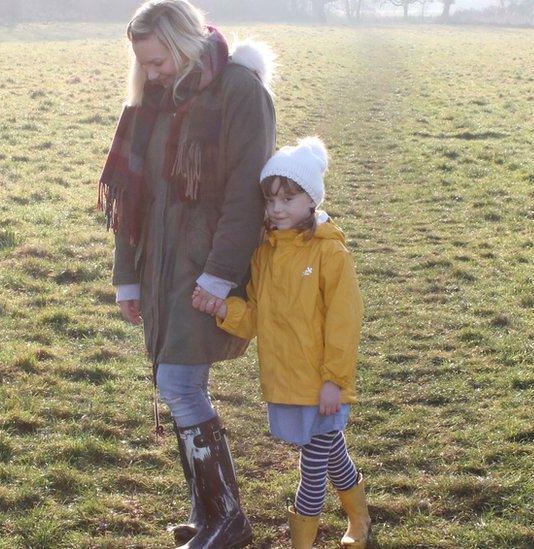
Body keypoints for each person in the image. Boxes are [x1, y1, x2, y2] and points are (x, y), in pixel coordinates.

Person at [98, 1, 276, 546]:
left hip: (205, 266)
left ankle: (226, 519)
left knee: (179, 383)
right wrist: (127, 276)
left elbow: (249, 193)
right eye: (142, 64)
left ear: (184, 43)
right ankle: (209, 514)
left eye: (156, 62)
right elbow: (133, 197)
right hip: (160, 266)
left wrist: (219, 275)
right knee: (175, 383)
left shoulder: (241, 92)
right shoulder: (155, 99)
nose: (149, 75)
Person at [192, 138, 371, 548]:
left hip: (321, 383)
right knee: (331, 454)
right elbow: (254, 316)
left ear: (312, 200)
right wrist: (221, 308)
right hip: (284, 379)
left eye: (288, 198)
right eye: (271, 199)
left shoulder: (331, 254)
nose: (277, 209)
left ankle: (305, 542)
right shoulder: (265, 254)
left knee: (311, 468)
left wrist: (334, 381)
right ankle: (360, 522)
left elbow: (345, 323)